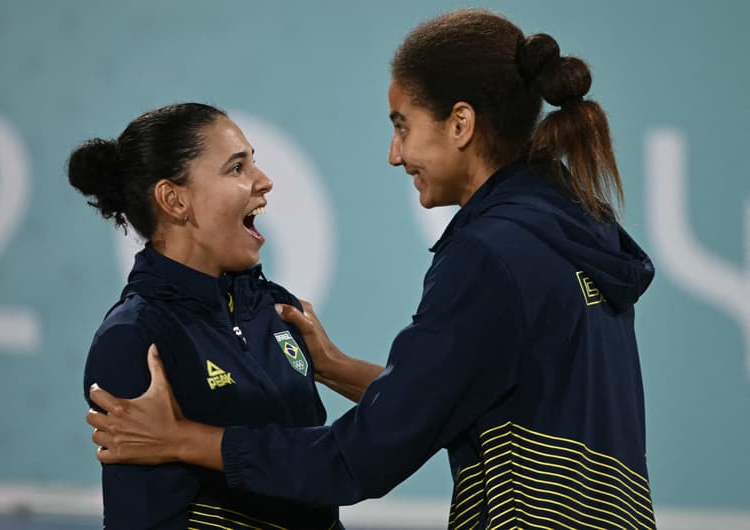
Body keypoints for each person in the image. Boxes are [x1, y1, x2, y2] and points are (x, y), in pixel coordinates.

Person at [87, 9, 657, 529]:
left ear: (460, 124)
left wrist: (181, 440)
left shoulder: (491, 253)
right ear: (172, 199)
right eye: (238, 167)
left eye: (403, 125)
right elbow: (448, 399)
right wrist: (334, 367)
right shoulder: (578, 225)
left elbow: (358, 459)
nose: (394, 153)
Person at [70, 103, 344, 529]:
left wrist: (338, 368)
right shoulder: (135, 338)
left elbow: (331, 473)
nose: (264, 181)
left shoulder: (279, 308)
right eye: (237, 168)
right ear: (174, 200)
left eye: (254, 162)